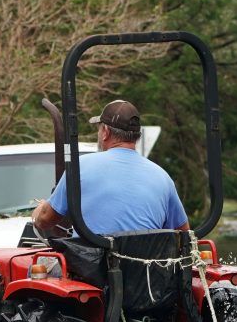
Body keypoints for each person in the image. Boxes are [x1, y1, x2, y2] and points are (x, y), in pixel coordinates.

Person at [32, 99, 190, 235]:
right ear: (137, 136)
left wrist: (39, 211)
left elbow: (46, 220)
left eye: (99, 129)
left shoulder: (81, 166)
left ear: (105, 132)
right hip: (146, 269)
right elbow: (183, 232)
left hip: (90, 269)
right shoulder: (162, 177)